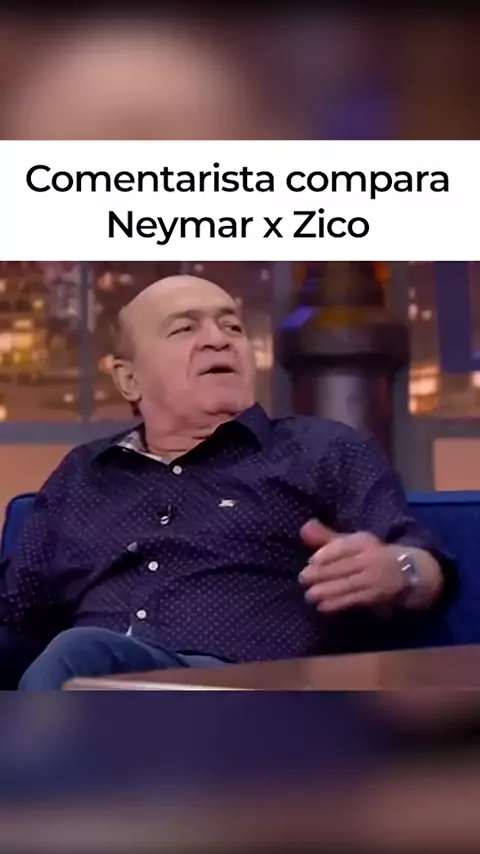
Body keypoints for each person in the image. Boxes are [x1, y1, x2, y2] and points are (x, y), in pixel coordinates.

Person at [0, 275, 452, 690]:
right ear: (129, 378)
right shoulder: (84, 474)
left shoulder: (319, 450)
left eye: (232, 327)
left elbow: (423, 562)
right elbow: (16, 612)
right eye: (185, 329)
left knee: (77, 655)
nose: (218, 339)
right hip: (92, 697)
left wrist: (400, 571)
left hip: (248, 694)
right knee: (77, 660)